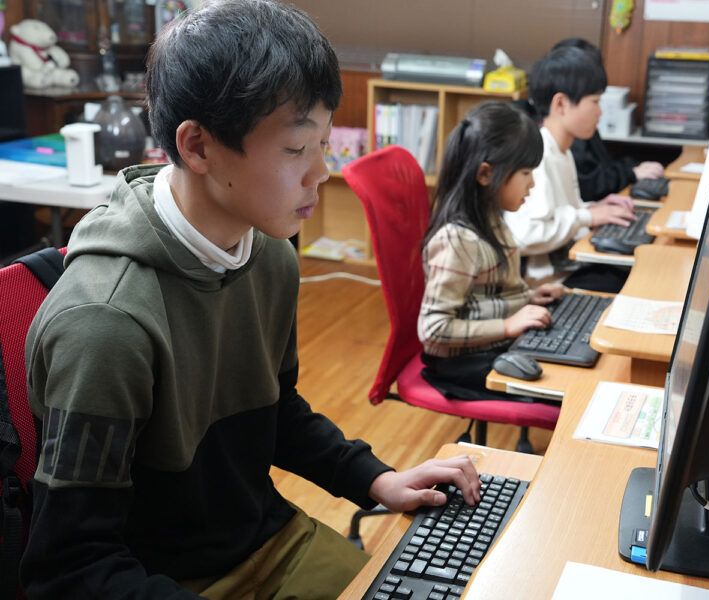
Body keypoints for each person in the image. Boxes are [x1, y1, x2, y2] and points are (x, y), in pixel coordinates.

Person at [21, 2, 481, 598]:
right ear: (198, 146)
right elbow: (71, 567)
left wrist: (376, 480)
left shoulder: (268, 255)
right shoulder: (107, 324)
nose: (321, 172)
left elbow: (275, 410)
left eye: (323, 143)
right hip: (166, 580)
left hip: (270, 540)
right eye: (296, 149)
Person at [418, 101, 564, 401]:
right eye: (525, 173)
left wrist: (528, 297)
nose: (532, 184)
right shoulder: (458, 241)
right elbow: (433, 329)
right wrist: (508, 325)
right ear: (485, 174)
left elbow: (484, 296)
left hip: (490, 348)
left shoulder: (492, 217)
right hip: (462, 364)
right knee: (566, 388)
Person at [504, 46, 636, 292]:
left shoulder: (562, 150)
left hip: (569, 268)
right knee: (628, 282)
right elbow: (525, 234)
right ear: (561, 104)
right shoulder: (538, 156)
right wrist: (588, 217)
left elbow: (561, 212)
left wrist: (593, 208)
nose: (600, 111)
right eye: (595, 101)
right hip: (547, 283)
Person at [554, 38, 665, 203]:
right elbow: (588, 186)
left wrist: (632, 169)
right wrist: (631, 173)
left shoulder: (580, 126)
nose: (600, 111)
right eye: (594, 101)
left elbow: (603, 166)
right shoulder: (557, 142)